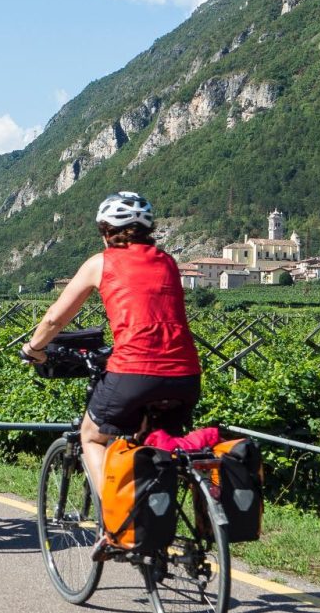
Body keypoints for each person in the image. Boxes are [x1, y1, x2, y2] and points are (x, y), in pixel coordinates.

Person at [21, 192, 201, 510]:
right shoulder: (168, 261)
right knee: (158, 443)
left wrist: (34, 348)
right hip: (187, 376)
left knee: (92, 435)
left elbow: (55, 318)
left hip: (133, 371)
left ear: (106, 231)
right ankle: (157, 534)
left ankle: (120, 515)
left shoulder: (101, 262)